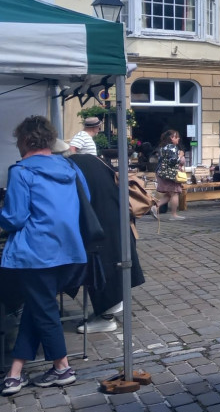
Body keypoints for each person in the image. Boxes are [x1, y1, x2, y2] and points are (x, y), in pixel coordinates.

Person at [1, 116, 87, 395]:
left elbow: (14, 217)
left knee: (44, 309)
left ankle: (62, 367)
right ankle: (15, 373)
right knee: (38, 307)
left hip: (35, 252)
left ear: (25, 141)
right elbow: (84, 202)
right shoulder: (70, 167)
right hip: (70, 250)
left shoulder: (21, 171)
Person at [65, 144, 146, 334]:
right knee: (112, 263)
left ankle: (106, 315)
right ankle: (106, 312)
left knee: (105, 265)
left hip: (102, 223)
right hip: (115, 219)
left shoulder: (72, 167)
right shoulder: (93, 161)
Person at [154, 130, 186, 220]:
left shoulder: (163, 147)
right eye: (176, 137)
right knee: (175, 193)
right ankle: (174, 215)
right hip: (170, 175)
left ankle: (155, 207)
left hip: (162, 173)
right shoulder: (171, 147)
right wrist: (180, 155)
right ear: (171, 138)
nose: (178, 138)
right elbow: (173, 161)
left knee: (169, 194)